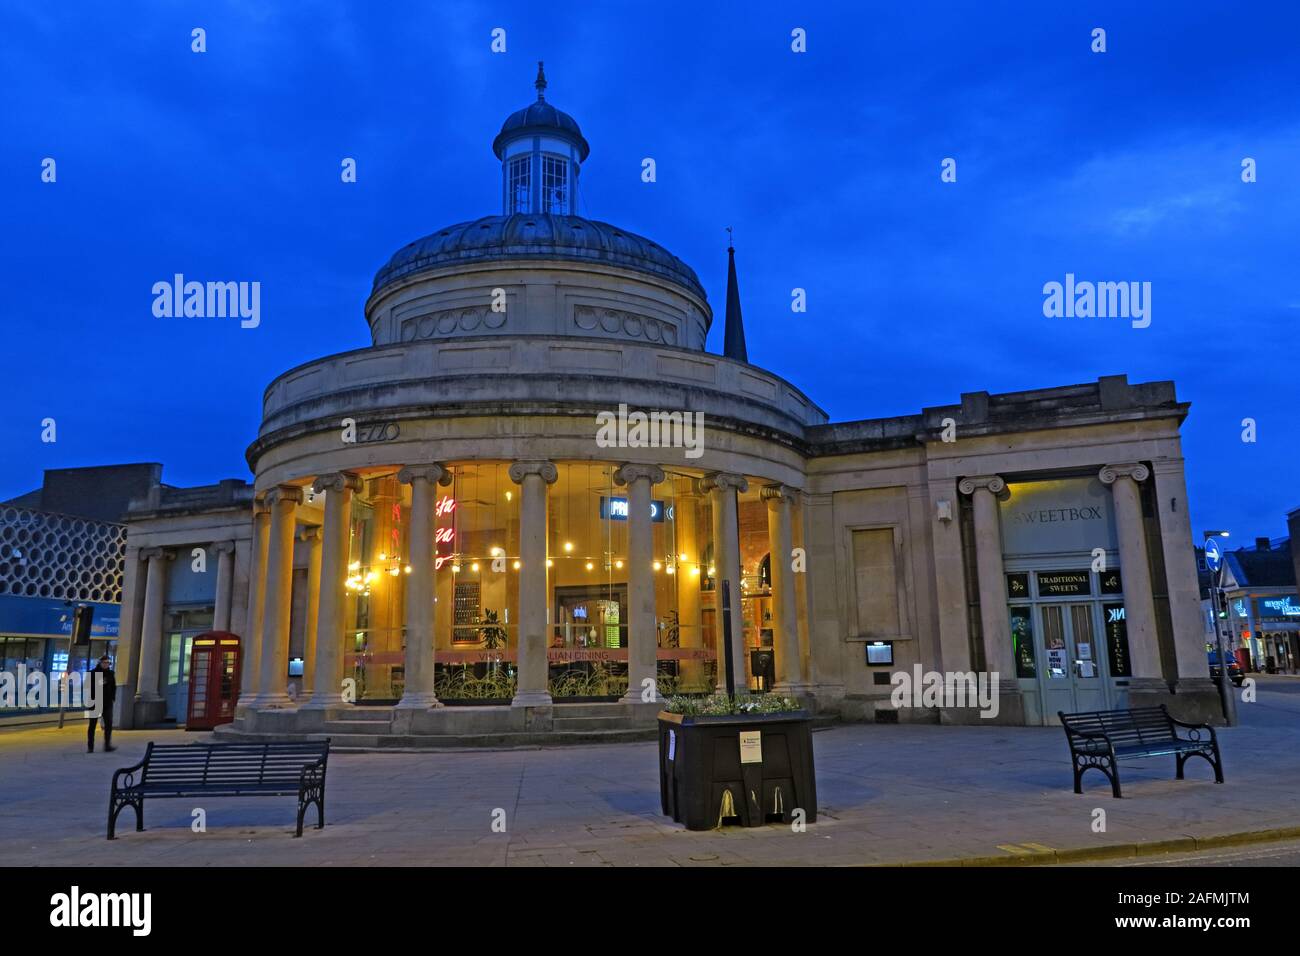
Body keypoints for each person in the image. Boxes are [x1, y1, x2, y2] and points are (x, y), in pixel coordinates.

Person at [87, 655, 116, 753]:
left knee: (109, 724)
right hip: (94, 702)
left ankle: (107, 745)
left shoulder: (111, 673)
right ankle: (90, 747)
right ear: (100, 663)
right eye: (104, 662)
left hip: (107, 702)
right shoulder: (92, 673)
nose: (106, 664)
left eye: (108, 663)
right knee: (92, 725)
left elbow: (113, 686)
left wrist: (112, 697)